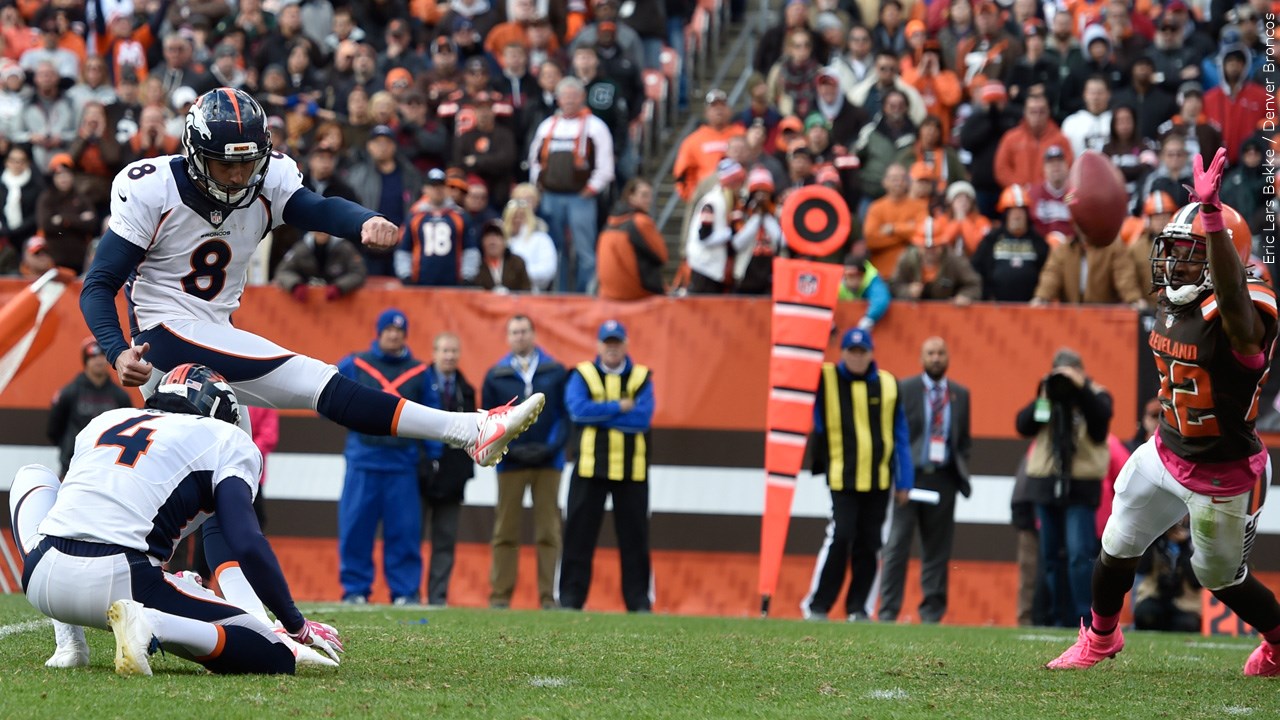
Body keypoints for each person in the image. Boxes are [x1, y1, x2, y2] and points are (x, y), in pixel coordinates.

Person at [78, 87, 543, 476]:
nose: (239, 175)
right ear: (196, 154)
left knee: (231, 478)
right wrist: (117, 350)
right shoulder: (150, 188)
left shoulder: (267, 179)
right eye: (225, 164)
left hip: (213, 327)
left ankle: (179, 581)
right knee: (316, 380)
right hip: (166, 335)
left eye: (247, 162)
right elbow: (99, 283)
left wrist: (364, 220)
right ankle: (471, 430)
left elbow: (315, 208)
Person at [1047, 149, 1280, 674]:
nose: (1175, 263)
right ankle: (1102, 638)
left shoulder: (1244, 312)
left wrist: (1214, 220)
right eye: (1173, 250)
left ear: (1223, 255)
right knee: (1117, 541)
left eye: (1190, 253)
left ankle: (1278, 641)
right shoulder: (1175, 293)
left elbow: (1241, 322)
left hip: (1221, 471)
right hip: (1166, 448)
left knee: (1219, 576)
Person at [8, 363, 342, 676]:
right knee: (274, 653)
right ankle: (154, 624)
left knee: (33, 475)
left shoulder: (106, 420)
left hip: (42, 577)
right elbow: (245, 541)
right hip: (123, 581)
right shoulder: (224, 438)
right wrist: (295, 624)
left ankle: (68, 640)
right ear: (220, 411)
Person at [803, 327, 913, 621]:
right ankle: (818, 605)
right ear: (842, 353)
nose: (856, 357)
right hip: (842, 476)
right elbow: (800, 368)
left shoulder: (888, 384)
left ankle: (858, 608)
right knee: (841, 536)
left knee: (870, 542)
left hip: (879, 479)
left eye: (861, 352)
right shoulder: (826, 378)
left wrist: (905, 481)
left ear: (870, 354)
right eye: (851, 352)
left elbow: (900, 434)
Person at [559, 320, 656, 612]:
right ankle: (571, 600)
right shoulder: (582, 374)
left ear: (625, 344)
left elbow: (642, 419)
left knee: (635, 538)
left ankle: (638, 601)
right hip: (590, 466)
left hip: (632, 470)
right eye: (607, 343)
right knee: (579, 535)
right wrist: (619, 407)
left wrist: (600, 413)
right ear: (599, 346)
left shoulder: (641, 376)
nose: (612, 348)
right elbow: (578, 411)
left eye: (617, 343)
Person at [336, 309, 429, 606]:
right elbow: (328, 394)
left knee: (404, 533)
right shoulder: (355, 364)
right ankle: (355, 590)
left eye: (399, 331)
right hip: (363, 461)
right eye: (388, 329)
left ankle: (405, 591)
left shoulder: (420, 371)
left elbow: (433, 412)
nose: (394, 334)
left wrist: (433, 457)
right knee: (355, 530)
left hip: (402, 465)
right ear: (379, 332)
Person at [1017, 347, 1113, 628]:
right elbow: (1024, 426)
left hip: (1082, 485)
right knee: (1050, 557)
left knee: (1078, 555)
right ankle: (1057, 618)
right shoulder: (1048, 392)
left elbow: (1099, 427)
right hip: (1046, 482)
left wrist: (1080, 390)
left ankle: (1084, 619)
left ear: (1082, 372)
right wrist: (1045, 394)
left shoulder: (1096, 393)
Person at [878, 337, 972, 624]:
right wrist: (899, 479)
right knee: (897, 547)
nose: (936, 357)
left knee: (937, 551)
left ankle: (931, 614)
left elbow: (963, 440)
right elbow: (894, 435)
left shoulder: (960, 393)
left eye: (941, 353)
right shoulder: (905, 388)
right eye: (930, 353)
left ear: (948, 357)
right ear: (922, 357)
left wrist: (959, 473)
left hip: (942, 479)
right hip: (910, 478)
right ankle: (888, 612)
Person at [483, 315, 569, 610]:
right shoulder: (496, 374)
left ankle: (548, 597)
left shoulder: (555, 370)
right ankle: (500, 597)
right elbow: (490, 419)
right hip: (511, 462)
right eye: (514, 332)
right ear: (508, 337)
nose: (519, 336)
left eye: (524, 331)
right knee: (505, 530)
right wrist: (511, 449)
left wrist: (549, 448)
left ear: (534, 334)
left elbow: (563, 415)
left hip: (549, 461)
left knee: (548, 530)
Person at [527, 77, 614, 293]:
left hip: (581, 198)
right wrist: (537, 185)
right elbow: (534, 159)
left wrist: (592, 188)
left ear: (582, 98)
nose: (569, 101)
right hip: (550, 197)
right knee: (554, 249)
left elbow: (605, 165)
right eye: (565, 96)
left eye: (573, 96)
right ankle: (558, 292)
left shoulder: (596, 127)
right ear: (558, 99)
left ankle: (585, 293)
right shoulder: (548, 126)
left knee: (585, 251)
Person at [419, 332, 477, 608]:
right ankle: (407, 594)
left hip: (452, 479)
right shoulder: (419, 382)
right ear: (434, 352)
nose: (450, 356)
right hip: (419, 476)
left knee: (445, 540)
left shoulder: (466, 389)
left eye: (454, 351)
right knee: (411, 539)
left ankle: (437, 597)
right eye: (445, 350)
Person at [46, 338, 133, 477]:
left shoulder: (120, 396)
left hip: (108, 469)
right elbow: (53, 429)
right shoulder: (69, 393)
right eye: (93, 356)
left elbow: (128, 431)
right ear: (85, 361)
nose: (98, 360)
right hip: (72, 467)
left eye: (102, 355)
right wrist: (69, 448)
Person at [597, 178, 668, 301]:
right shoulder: (641, 221)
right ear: (631, 196)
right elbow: (662, 256)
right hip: (636, 294)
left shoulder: (610, 222)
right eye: (644, 195)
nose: (649, 201)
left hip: (607, 294)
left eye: (651, 196)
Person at [1133, 519, 1201, 632]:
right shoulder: (1157, 541)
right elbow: (1141, 569)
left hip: (1184, 603)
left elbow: (1197, 582)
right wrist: (1155, 538)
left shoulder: (1195, 541)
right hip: (1155, 596)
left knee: (1187, 624)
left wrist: (1184, 547)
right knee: (1145, 614)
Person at [838, 252, 891, 329]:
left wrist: (868, 319)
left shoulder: (872, 280)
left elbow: (881, 300)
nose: (850, 280)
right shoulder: (840, 284)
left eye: (854, 275)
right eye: (847, 275)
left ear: (862, 275)